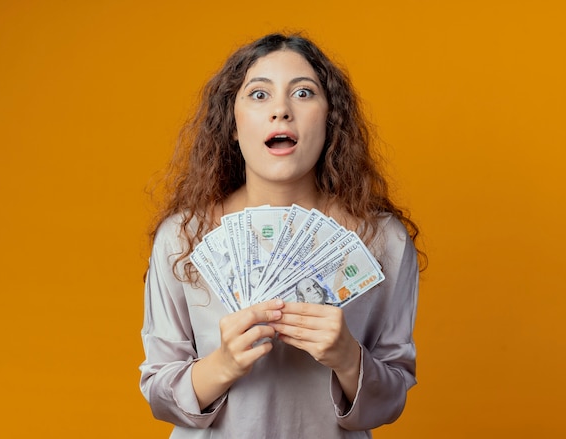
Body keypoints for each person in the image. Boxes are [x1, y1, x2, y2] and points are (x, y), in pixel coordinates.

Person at [140, 33, 425, 438]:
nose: (281, 111)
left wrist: (347, 358)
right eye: (258, 95)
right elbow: (158, 390)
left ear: (330, 119)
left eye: (303, 93)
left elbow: (392, 397)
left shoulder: (384, 241)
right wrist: (223, 364)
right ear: (232, 126)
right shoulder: (184, 237)